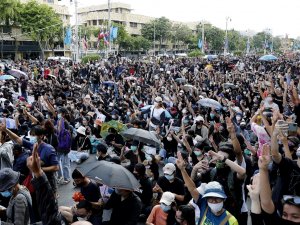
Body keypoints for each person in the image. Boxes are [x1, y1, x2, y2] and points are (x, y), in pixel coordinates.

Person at [176, 153, 238, 225]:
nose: (214, 201)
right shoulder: (204, 205)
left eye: (217, 198)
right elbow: (192, 188)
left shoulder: (231, 221)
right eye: (210, 198)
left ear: (224, 199)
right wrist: (182, 169)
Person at [0, 122, 59, 197]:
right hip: (35, 181)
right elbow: (17, 139)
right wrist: (6, 130)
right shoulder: (32, 145)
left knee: (48, 202)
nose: (31, 137)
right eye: (31, 135)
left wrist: (38, 169)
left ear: (41, 136)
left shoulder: (49, 149)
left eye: (34, 135)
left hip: (48, 181)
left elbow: (56, 167)